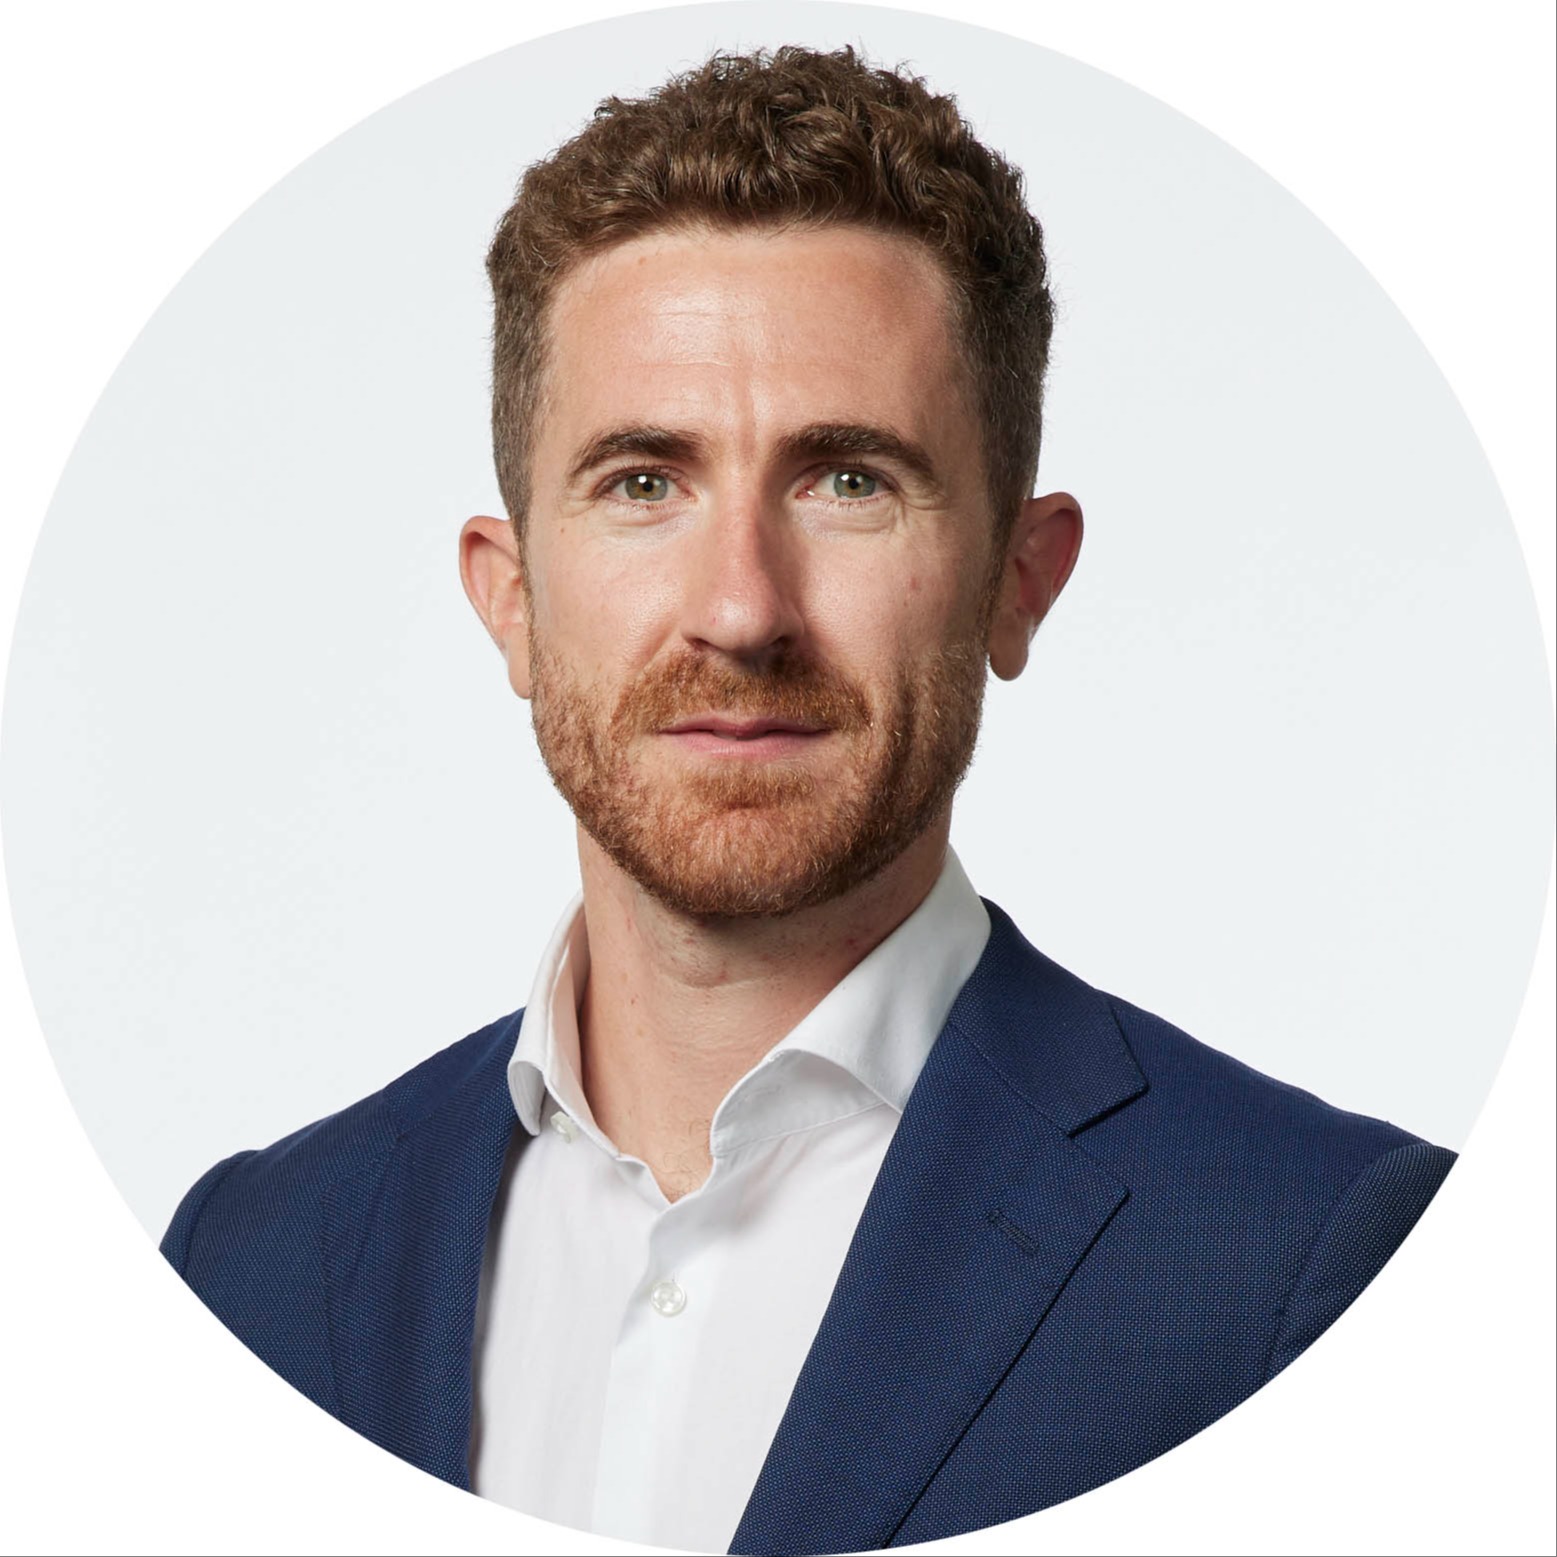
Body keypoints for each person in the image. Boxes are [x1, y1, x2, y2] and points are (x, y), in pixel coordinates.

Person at [161, 45, 1455, 1556]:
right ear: (509, 598)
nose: (740, 609)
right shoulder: (245, 1270)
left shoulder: (1324, 1268)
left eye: (848, 481)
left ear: (1018, 581)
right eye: (643, 482)